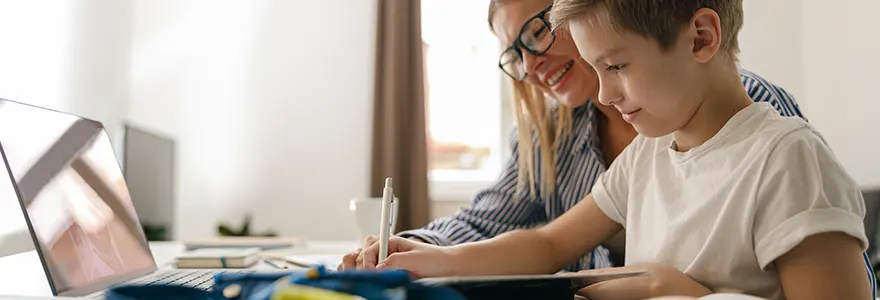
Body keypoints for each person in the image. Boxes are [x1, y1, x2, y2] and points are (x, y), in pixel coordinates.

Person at [346, 0, 876, 299]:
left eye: (616, 67)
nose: (602, 94)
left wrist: (689, 297)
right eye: (597, 69)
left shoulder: (786, 158)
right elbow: (548, 245)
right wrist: (437, 261)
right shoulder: (648, 155)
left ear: (700, 38)